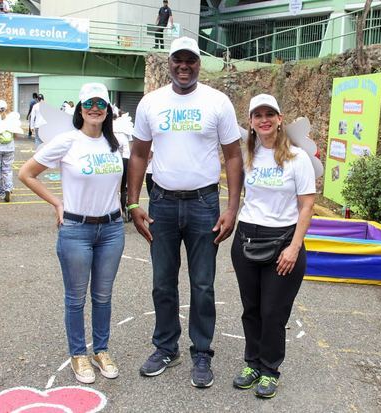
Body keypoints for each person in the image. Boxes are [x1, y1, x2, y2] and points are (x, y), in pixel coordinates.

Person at [127, 36, 243, 388]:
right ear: (169, 63)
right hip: (161, 201)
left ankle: (202, 352)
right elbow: (137, 154)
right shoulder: (151, 102)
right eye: (177, 59)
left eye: (190, 60)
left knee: (203, 284)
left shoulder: (217, 102)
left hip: (204, 204)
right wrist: (133, 203)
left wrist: (232, 207)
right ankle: (165, 347)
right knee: (162, 282)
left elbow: (234, 155)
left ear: (198, 64)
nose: (184, 66)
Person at [19, 83, 125, 385]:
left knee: (103, 296)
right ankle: (79, 354)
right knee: (76, 298)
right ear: (80, 109)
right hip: (76, 230)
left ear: (107, 110)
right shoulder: (67, 141)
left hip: (112, 229)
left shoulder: (115, 144)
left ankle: (100, 350)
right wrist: (57, 203)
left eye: (101, 103)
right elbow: (26, 173)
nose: (95, 108)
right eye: (89, 103)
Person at [230, 94, 315, 399]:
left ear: (280, 119)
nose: (263, 119)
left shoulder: (296, 157)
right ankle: (252, 363)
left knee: (273, 312)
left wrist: (294, 248)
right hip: (247, 239)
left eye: (269, 114)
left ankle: (270, 369)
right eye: (257, 115)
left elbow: (307, 206)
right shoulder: (248, 155)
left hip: (283, 242)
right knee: (251, 309)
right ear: (251, 123)